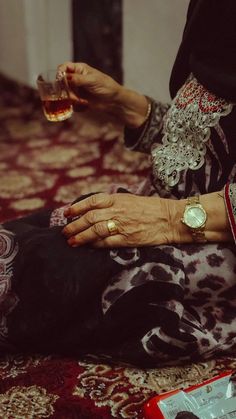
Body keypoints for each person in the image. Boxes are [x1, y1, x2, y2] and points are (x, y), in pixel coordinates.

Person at [1, 0, 236, 367]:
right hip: (174, 206)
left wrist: (171, 218)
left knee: (41, 273)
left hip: (219, 251)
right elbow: (201, 145)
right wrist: (123, 103)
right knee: (29, 236)